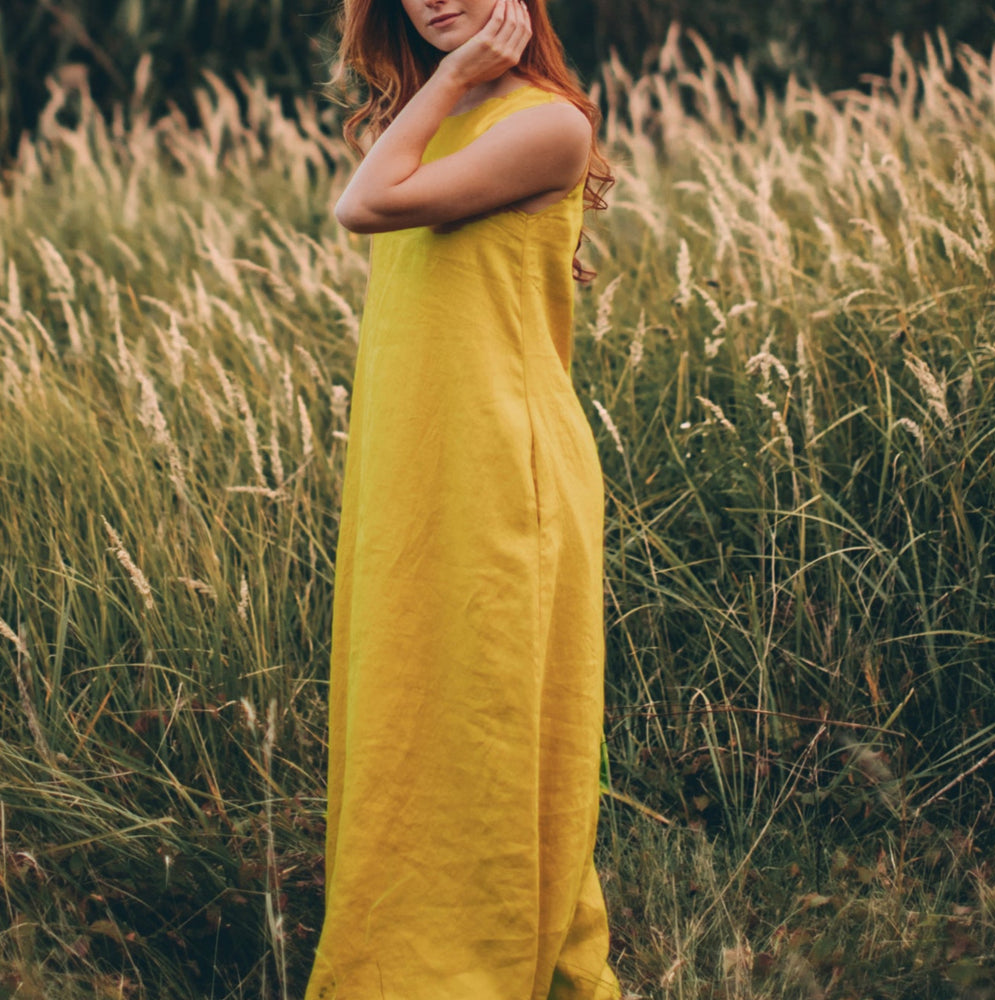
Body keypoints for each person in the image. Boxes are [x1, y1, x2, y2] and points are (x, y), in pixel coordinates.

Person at [305, 1, 619, 997]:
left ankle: (467, 969)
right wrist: (436, 92)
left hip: (499, 465)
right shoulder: (429, 117)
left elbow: (360, 206)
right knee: (413, 708)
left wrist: (443, 83)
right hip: (417, 459)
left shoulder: (546, 124)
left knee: (485, 717)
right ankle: (398, 956)